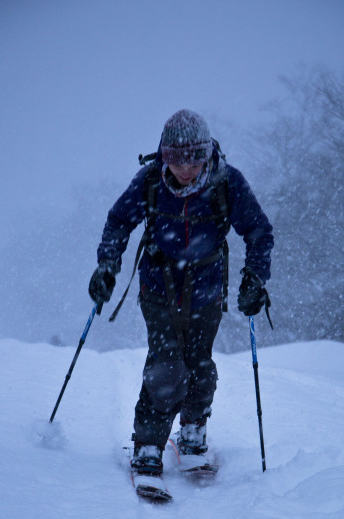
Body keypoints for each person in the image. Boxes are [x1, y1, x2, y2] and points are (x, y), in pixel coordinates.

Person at [89, 109, 274, 477]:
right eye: (177, 161)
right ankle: (148, 443)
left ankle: (193, 427)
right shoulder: (150, 182)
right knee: (167, 368)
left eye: (194, 160)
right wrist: (108, 265)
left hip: (206, 291)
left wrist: (255, 276)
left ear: (206, 155)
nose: (186, 170)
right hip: (158, 288)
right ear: (165, 156)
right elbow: (118, 222)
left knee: (200, 366)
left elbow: (258, 231)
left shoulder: (226, 182)